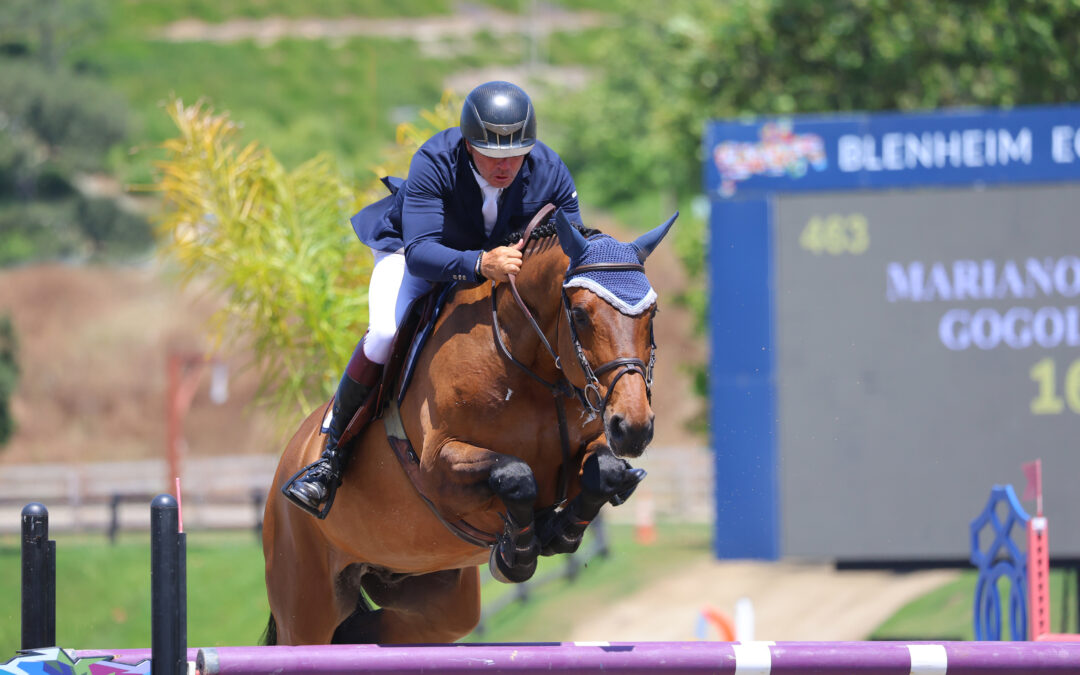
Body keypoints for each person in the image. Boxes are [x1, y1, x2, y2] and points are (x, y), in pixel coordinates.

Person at [283, 80, 582, 518]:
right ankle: (330, 459)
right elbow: (422, 254)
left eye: (515, 155)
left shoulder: (549, 169)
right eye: (492, 155)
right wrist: (481, 265)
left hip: (496, 262)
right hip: (415, 252)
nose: (505, 166)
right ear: (467, 143)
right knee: (385, 333)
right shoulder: (435, 160)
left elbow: (573, 249)